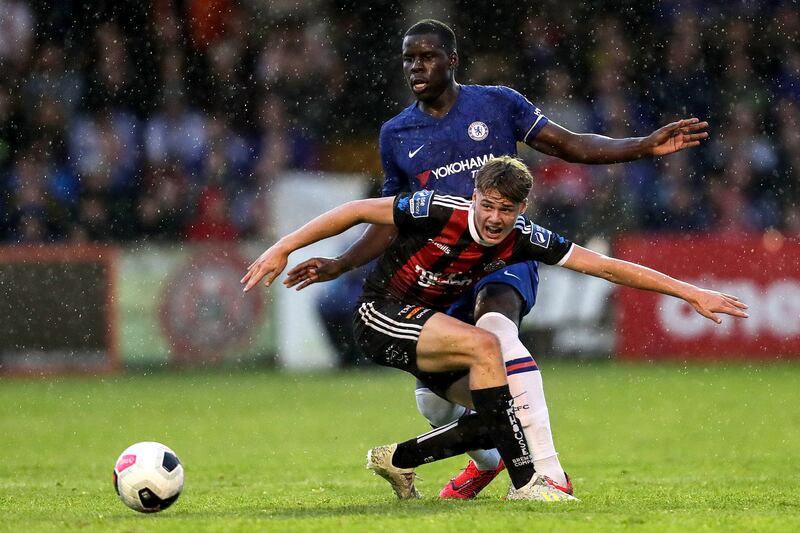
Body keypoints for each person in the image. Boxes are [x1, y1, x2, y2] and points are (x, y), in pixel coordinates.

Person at [283, 19, 712, 499]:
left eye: (427, 56)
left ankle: (546, 476)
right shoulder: (397, 133)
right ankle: (487, 463)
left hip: (503, 258)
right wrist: (341, 263)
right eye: (408, 58)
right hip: (441, 273)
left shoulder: (497, 104)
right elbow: (389, 219)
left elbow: (570, 145)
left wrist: (641, 146)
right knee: (436, 404)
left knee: (496, 335)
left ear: (452, 60)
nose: (416, 66)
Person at [242, 156, 748, 501]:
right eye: (488, 205)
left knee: (499, 419)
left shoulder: (524, 237)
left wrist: (691, 292)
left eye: (507, 210)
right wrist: (285, 246)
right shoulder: (438, 208)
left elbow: (607, 267)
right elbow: (355, 211)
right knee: (488, 347)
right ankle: (534, 485)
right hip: (379, 315)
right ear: (475, 196)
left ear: (521, 209)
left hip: (425, 329)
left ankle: (397, 457)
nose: (494, 218)